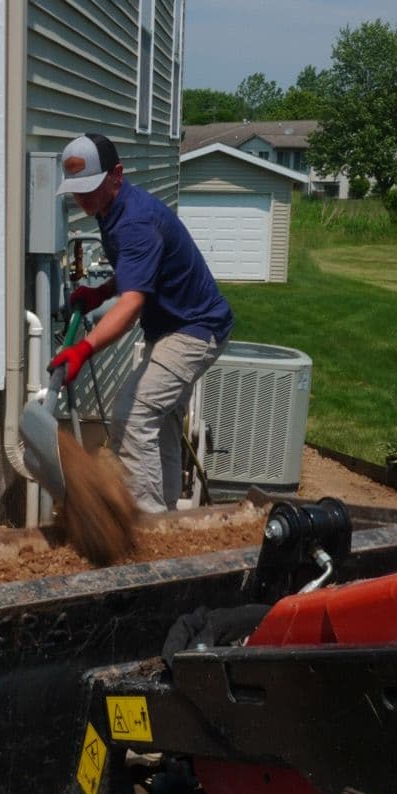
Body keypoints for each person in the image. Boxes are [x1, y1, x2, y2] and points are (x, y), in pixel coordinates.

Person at [48, 131, 233, 513]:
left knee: (132, 415)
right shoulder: (109, 209)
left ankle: (149, 528)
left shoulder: (134, 222)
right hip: (174, 327)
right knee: (159, 423)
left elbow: (132, 303)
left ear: (117, 174)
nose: (83, 199)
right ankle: (165, 514)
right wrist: (100, 293)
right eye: (77, 191)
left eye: (90, 188)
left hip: (194, 329)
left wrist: (83, 349)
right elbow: (136, 272)